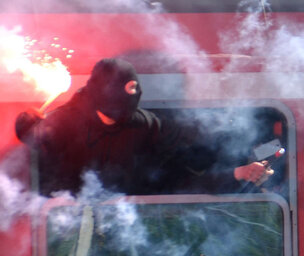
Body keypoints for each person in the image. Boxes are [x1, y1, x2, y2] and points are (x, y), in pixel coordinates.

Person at [15, 57, 272, 195]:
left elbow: (181, 178)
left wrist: (236, 173)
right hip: (72, 215)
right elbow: (34, 139)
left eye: (133, 90)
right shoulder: (67, 119)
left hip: (131, 219)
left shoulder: (146, 127)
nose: (129, 101)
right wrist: (28, 124)